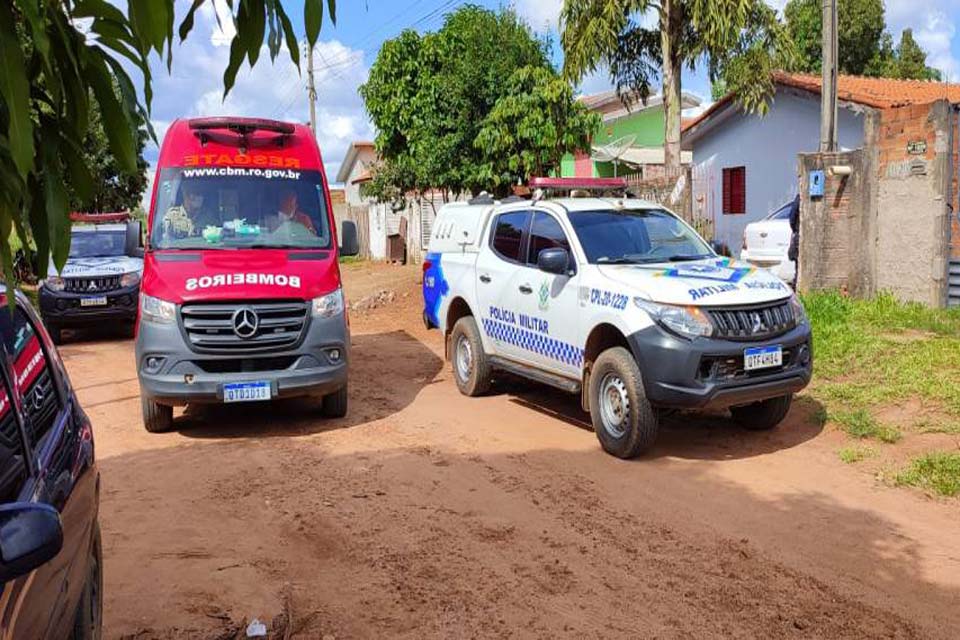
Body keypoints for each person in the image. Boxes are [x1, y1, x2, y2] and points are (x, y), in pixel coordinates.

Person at [787, 193, 800, 289]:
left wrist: (795, 229)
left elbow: (792, 218)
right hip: (799, 235)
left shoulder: (800, 197)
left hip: (799, 235)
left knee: (798, 268)